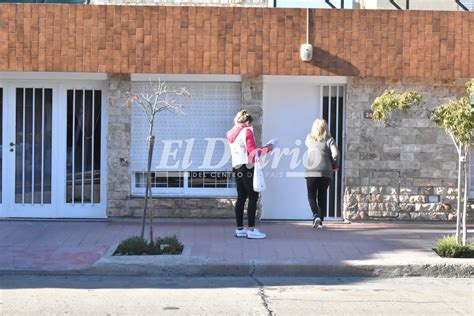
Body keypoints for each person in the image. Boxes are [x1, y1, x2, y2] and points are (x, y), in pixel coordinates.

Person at [226, 110, 272, 239]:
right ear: (247, 122)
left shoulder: (231, 133)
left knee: (241, 197)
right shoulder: (247, 131)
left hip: (236, 166)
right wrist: (268, 148)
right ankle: (251, 230)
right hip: (247, 166)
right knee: (253, 195)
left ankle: (240, 228)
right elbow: (253, 152)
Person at [305, 119, 339, 229]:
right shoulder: (330, 140)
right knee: (322, 195)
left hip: (312, 171)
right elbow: (335, 154)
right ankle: (320, 221)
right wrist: (334, 165)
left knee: (311, 196)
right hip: (326, 171)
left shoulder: (309, 139)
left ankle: (315, 216)